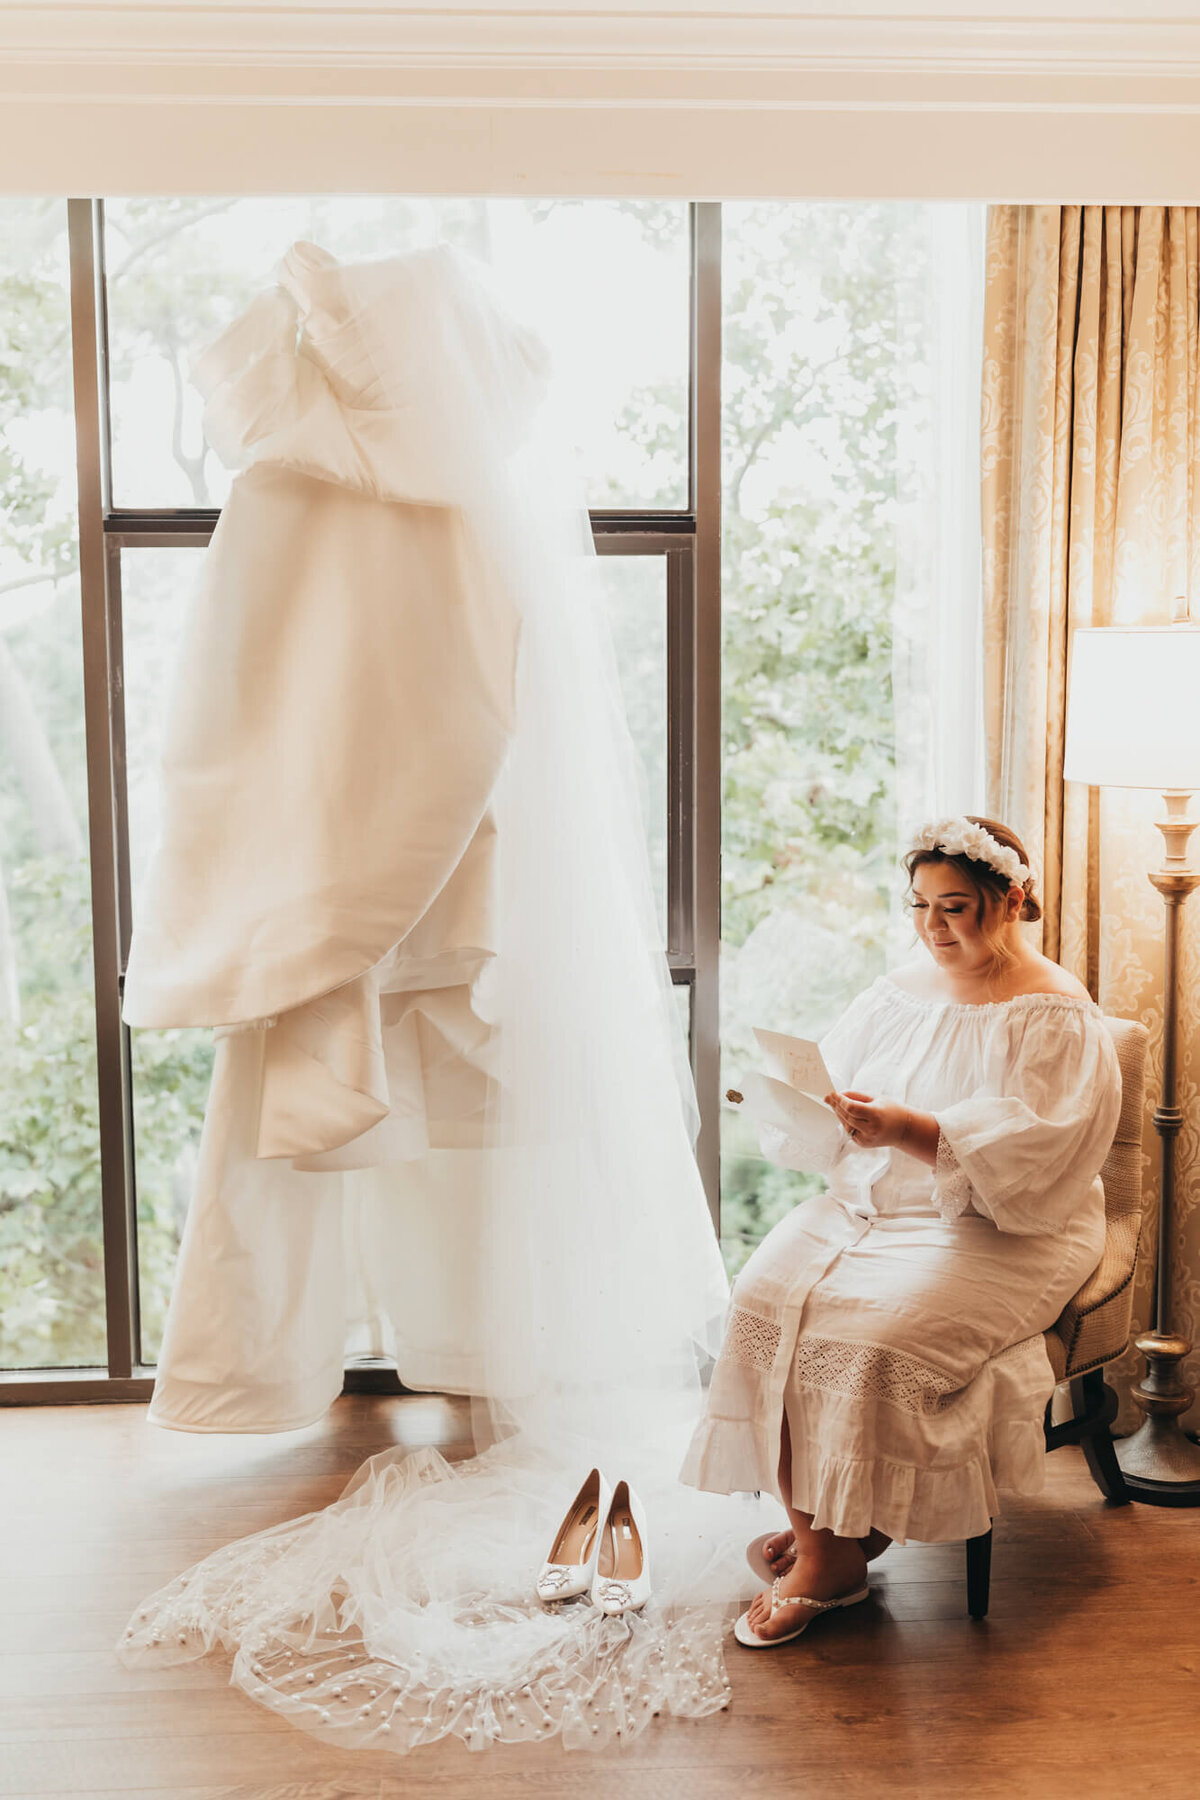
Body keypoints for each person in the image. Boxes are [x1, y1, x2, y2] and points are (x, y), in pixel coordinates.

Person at [680, 815, 1123, 1646]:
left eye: (954, 907)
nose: (932, 928)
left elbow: (1046, 1157)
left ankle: (835, 1554)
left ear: (1014, 900)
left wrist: (912, 1130)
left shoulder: (1054, 1012)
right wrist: (825, 1108)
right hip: (868, 1198)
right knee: (763, 1302)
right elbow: (840, 1089)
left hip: (1003, 1226)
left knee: (877, 1334)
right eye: (919, 906)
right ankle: (832, 1537)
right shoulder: (896, 990)